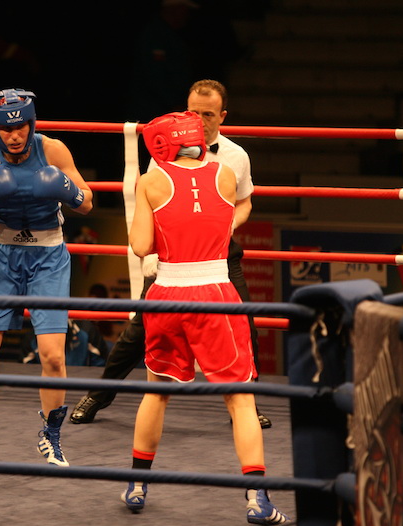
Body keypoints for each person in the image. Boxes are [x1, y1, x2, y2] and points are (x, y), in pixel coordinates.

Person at [120, 111, 288, 525]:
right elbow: (224, 220)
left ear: (159, 144)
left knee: (156, 391)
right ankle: (257, 499)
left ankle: (137, 485)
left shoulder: (151, 182)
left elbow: (141, 245)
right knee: (239, 397)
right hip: (216, 292)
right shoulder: (226, 175)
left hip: (166, 295)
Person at [71, 79, 271, 428]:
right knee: (137, 332)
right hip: (174, 255)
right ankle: (97, 395)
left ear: (222, 116)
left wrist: (226, 226)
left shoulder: (236, 157)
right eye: (194, 111)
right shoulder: (163, 153)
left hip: (219, 254)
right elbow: (153, 204)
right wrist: (153, 258)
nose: (200, 119)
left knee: (244, 325)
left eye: (208, 113)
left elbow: (244, 201)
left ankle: (245, 405)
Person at [0, 89, 93, 467]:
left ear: (31, 124)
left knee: (52, 357)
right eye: (6, 129)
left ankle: (51, 437)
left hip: (49, 254)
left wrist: (64, 189)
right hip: (2, 253)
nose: (15, 135)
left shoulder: (54, 150)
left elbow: (88, 201)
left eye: (21, 127)